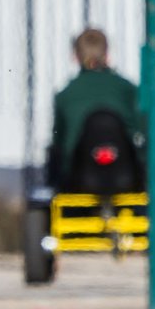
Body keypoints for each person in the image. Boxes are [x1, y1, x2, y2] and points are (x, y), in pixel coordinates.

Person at [49, 27, 144, 189]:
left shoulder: (64, 95)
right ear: (107, 55)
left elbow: (60, 144)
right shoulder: (129, 90)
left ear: (76, 57)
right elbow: (141, 133)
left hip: (79, 181)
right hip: (127, 178)